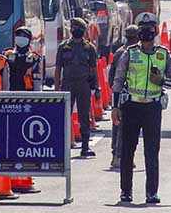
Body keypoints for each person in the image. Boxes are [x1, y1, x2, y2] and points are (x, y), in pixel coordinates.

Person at [111, 12, 171, 204]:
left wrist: (161, 81)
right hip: (131, 107)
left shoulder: (163, 54)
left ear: (156, 31)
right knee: (127, 151)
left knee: (152, 151)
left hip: (152, 109)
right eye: (143, 30)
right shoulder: (130, 53)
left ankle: (152, 192)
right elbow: (117, 82)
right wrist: (115, 107)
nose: (146, 33)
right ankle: (126, 191)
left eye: (150, 30)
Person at [55, 17, 99, 158]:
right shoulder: (63, 47)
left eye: (79, 28)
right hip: (67, 84)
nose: (76, 30)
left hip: (83, 84)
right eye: (74, 28)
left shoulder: (89, 48)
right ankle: (61, 147)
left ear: (84, 30)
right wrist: (56, 86)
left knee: (84, 116)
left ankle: (85, 147)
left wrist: (96, 87)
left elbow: (94, 69)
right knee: (64, 116)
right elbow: (58, 68)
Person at [108, 24, 139, 170]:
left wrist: (115, 92)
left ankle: (116, 155)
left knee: (117, 126)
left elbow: (111, 77)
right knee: (127, 128)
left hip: (119, 94)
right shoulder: (136, 53)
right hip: (131, 97)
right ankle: (121, 157)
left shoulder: (118, 52)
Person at [4, 27, 43, 91]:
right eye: (19, 35)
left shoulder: (34, 58)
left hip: (27, 96)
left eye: (24, 36)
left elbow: (37, 82)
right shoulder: (7, 55)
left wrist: (37, 97)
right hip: (10, 94)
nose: (21, 38)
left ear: (29, 39)